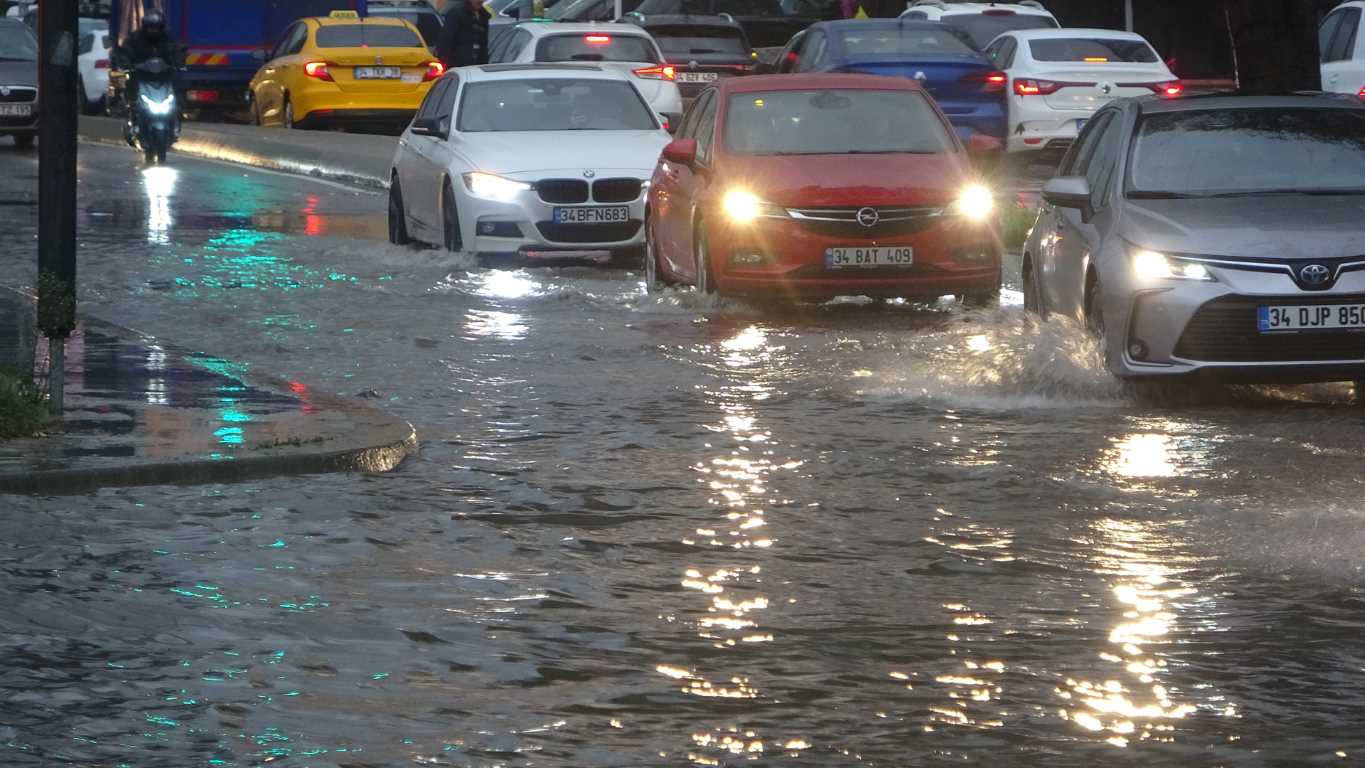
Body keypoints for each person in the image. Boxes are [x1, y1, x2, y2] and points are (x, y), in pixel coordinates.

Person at [436, 0, 491, 70]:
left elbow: (484, 44)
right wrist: (449, 66)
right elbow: (445, 41)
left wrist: (484, 65)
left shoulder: (483, 16)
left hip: (477, 68)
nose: (480, 1)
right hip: (458, 68)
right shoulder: (457, 13)